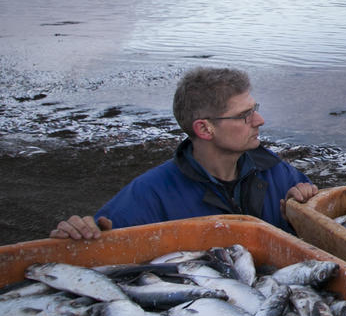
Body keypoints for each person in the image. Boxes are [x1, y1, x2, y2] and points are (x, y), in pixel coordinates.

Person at [50, 67, 317, 239]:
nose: (259, 120)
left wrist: (302, 212)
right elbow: (99, 241)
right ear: (204, 128)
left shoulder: (277, 172)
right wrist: (80, 233)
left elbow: (320, 234)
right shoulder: (151, 194)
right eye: (244, 115)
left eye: (254, 109)